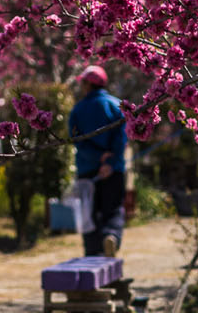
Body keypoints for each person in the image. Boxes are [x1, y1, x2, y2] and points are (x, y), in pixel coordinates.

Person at [69, 64, 127, 257]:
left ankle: (93, 255)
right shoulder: (117, 105)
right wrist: (110, 162)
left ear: (87, 84)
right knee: (113, 209)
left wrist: (96, 157)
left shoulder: (78, 109)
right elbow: (121, 138)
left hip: (87, 170)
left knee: (90, 215)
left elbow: (76, 140)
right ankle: (111, 237)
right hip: (114, 170)